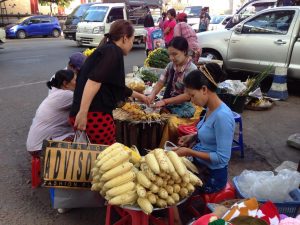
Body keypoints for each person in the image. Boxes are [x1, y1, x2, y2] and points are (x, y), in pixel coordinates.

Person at [70, 19, 148, 145]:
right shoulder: (113, 51)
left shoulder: (108, 49)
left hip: (90, 113)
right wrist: (83, 112)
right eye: (132, 40)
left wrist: (140, 96)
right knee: (104, 155)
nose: (132, 45)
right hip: (93, 115)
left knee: (95, 155)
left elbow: (116, 87)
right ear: (124, 38)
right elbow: (94, 81)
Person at [174, 63, 235, 194]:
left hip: (211, 175)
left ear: (204, 89)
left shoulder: (222, 116)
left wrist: (189, 152)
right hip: (199, 164)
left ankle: (178, 215)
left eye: (192, 95)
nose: (190, 100)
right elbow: (210, 134)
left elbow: (222, 158)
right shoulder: (209, 109)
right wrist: (193, 137)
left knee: (172, 187)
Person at [26, 53, 86, 156]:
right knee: (83, 143)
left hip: (36, 144)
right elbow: (88, 99)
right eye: (76, 81)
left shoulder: (59, 91)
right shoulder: (66, 95)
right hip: (40, 148)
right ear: (65, 84)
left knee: (76, 133)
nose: (78, 82)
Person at [147, 36, 197, 118]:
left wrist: (165, 101)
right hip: (169, 102)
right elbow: (160, 83)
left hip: (185, 106)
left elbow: (187, 95)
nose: (171, 58)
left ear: (184, 52)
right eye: (170, 54)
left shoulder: (192, 70)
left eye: (175, 54)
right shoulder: (170, 66)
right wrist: (152, 95)